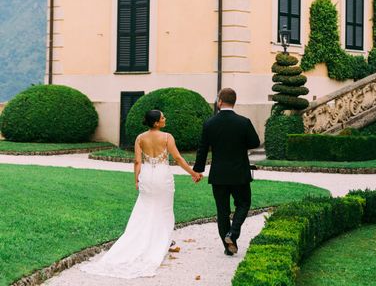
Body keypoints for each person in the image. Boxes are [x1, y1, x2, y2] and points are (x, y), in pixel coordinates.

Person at [81, 110, 203, 278]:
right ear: (156, 123)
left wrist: (136, 179)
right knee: (164, 210)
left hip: (146, 175)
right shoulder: (167, 137)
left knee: (145, 209)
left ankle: (148, 241)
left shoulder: (140, 138)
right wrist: (193, 173)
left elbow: (137, 161)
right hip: (162, 177)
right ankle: (161, 242)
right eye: (162, 118)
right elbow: (178, 158)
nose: (165, 119)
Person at [194, 88, 260, 256]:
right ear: (234, 102)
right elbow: (255, 142)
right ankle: (233, 233)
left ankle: (228, 246)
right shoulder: (244, 122)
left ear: (220, 102)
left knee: (222, 211)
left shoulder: (209, 123)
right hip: (239, 173)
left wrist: (198, 170)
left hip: (219, 174)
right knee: (244, 203)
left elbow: (202, 149)